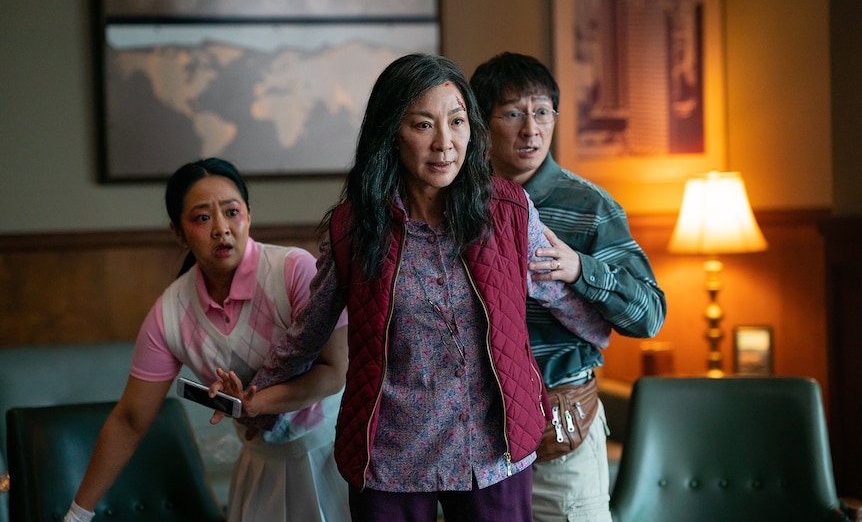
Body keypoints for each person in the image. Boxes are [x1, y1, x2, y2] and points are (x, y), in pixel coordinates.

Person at [210, 53, 610, 522]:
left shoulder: (508, 210)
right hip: (390, 457)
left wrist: (600, 323)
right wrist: (253, 398)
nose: (445, 143)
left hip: (491, 451)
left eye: (457, 122)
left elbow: (558, 292)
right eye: (423, 125)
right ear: (391, 135)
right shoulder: (354, 228)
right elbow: (307, 333)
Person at [63, 158, 350, 522]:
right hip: (262, 467)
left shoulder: (294, 270)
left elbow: (335, 371)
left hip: (335, 452)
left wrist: (257, 403)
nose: (221, 229)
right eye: (202, 218)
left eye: (232, 211)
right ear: (178, 233)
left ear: (249, 214)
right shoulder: (170, 313)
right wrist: (77, 514)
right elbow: (130, 419)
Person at [470, 52, 667, 522]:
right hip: (478, 436)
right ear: (481, 122)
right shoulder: (460, 202)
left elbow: (650, 316)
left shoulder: (589, 206)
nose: (531, 129)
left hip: (561, 433)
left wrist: (580, 269)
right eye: (513, 113)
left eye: (542, 112)